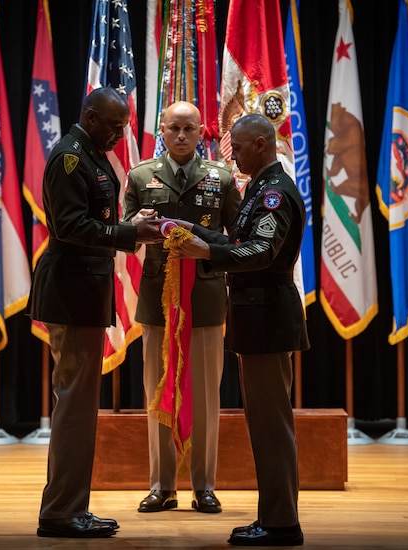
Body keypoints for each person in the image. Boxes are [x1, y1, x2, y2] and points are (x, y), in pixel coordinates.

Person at [166, 114, 309, 546]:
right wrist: (194, 231)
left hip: (268, 315)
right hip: (256, 314)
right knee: (264, 425)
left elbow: (261, 252)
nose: (234, 154)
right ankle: (274, 517)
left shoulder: (273, 193)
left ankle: (281, 523)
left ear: (262, 145)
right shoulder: (257, 189)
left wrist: (205, 249)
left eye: (240, 147)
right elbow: (238, 240)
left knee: (271, 426)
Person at [28, 87, 164, 539]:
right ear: (90, 116)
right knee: (74, 406)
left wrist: (129, 224)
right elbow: (69, 226)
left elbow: (97, 212)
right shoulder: (69, 157)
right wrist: (129, 233)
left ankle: (70, 507)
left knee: (81, 407)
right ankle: (62, 511)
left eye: (124, 125)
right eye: (113, 125)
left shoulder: (87, 152)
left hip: (84, 290)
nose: (120, 134)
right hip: (72, 290)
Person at [123, 101, 241, 514]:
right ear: (162, 128)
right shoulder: (141, 176)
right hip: (158, 298)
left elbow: (236, 241)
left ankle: (204, 485)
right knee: (157, 390)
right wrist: (139, 224)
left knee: (206, 393)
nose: (180, 136)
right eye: (173, 128)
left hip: (206, 297)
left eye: (189, 129)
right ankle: (162, 486)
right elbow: (125, 235)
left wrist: (200, 241)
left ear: (201, 131)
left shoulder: (221, 177)